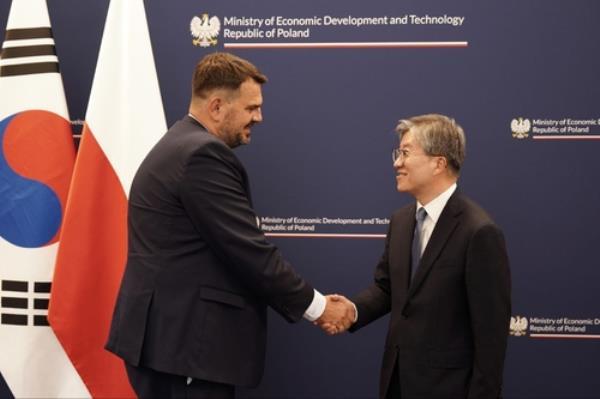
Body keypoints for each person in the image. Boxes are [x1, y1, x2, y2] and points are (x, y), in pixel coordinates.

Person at [105, 52, 352, 399]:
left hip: (167, 345)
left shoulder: (178, 143)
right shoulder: (202, 155)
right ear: (218, 107)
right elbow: (248, 251)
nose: (260, 117)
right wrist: (318, 307)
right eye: (251, 108)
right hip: (185, 350)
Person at [327, 114, 511, 398]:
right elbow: (388, 288)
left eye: (405, 153)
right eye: (397, 153)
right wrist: (352, 311)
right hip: (397, 383)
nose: (397, 163)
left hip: (449, 390)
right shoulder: (401, 221)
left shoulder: (479, 231)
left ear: (439, 163)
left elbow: (491, 338)